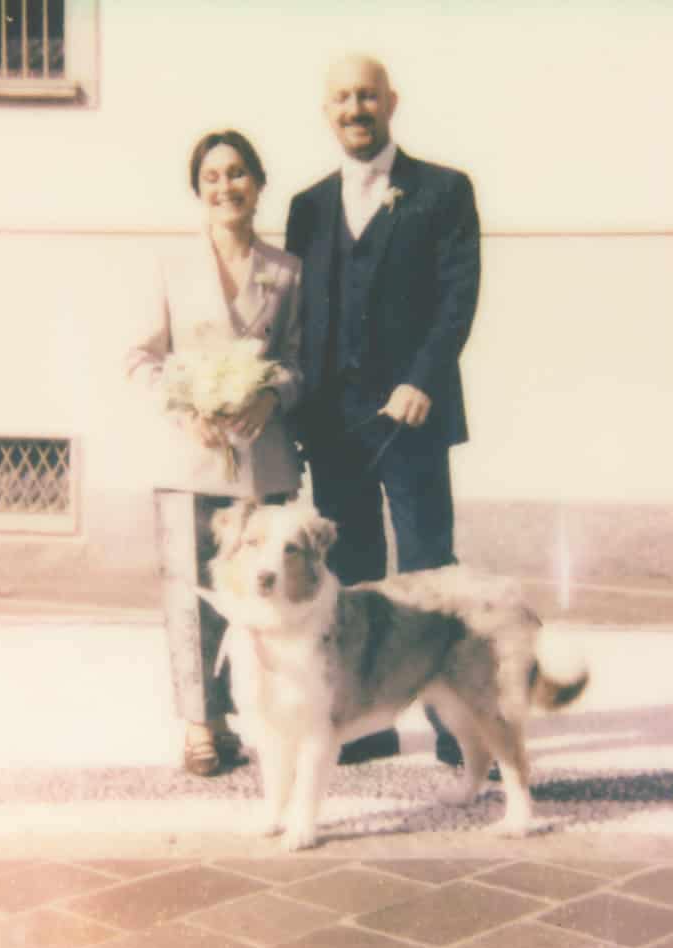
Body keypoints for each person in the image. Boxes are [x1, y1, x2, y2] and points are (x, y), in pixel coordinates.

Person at [286, 55, 481, 766]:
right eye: (341, 98)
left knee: (429, 568)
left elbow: (458, 298)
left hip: (412, 415)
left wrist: (423, 379)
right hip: (334, 423)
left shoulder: (443, 191)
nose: (355, 109)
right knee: (354, 572)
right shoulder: (307, 206)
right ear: (327, 111)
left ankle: (456, 724)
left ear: (390, 102)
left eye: (366, 96)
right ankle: (368, 725)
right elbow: (300, 315)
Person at [127, 130, 303, 776]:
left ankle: (268, 718)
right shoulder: (170, 267)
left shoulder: (287, 271)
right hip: (190, 459)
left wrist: (273, 397)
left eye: (237, 174)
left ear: (258, 183)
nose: (225, 187)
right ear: (198, 190)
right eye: (211, 177)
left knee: (267, 593)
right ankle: (203, 726)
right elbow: (141, 357)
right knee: (190, 594)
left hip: (262, 458)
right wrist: (183, 409)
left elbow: (301, 360)